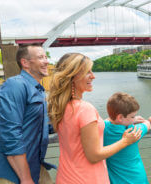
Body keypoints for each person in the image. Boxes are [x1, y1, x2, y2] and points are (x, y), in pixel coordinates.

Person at [47, 53, 142, 184]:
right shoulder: (85, 109)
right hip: (88, 178)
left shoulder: (60, 107)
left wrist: (121, 120)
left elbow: (81, 130)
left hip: (65, 177)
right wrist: (125, 141)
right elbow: (94, 156)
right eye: (88, 72)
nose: (93, 76)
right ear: (73, 76)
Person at [0, 44, 54, 184]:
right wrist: (25, 178)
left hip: (35, 167)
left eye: (46, 57)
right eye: (41, 57)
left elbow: (42, 127)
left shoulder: (38, 90)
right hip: (11, 174)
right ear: (25, 63)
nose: (47, 61)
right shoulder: (15, 85)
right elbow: (10, 135)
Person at [104, 92, 151, 184]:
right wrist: (135, 121)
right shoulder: (133, 131)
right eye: (132, 116)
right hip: (137, 178)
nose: (134, 119)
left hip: (116, 180)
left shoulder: (103, 129)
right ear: (120, 117)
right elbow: (147, 124)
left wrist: (129, 119)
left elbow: (107, 120)